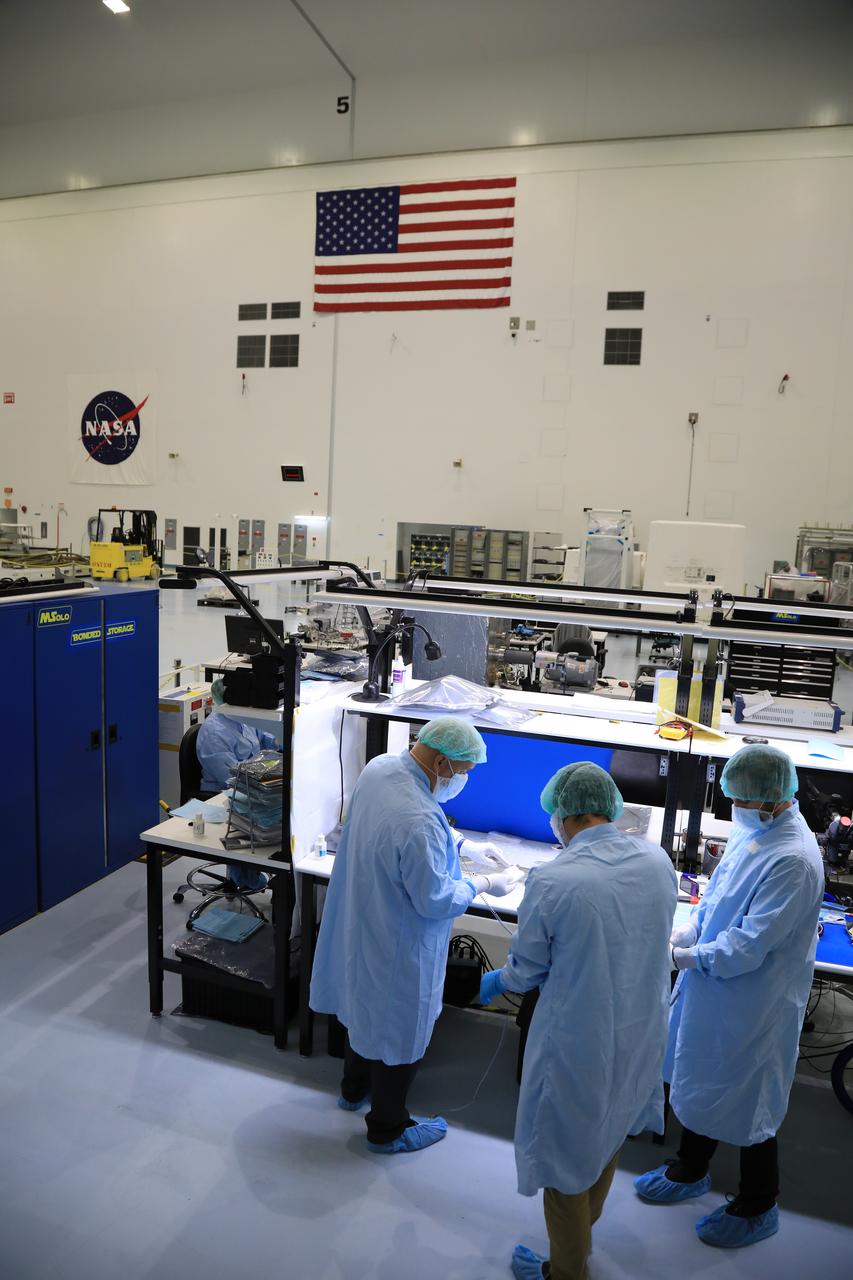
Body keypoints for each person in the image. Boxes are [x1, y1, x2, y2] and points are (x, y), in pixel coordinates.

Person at [478, 762, 677, 1280]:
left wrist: (499, 981)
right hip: (637, 1032)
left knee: (563, 1161)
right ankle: (581, 1241)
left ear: (562, 817)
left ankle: (565, 1271)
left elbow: (525, 972)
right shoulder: (657, 862)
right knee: (606, 1135)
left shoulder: (554, 879)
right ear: (609, 808)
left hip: (578, 1043)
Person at [634, 744, 824, 1249]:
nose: (734, 808)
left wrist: (683, 960)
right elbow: (717, 895)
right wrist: (688, 932)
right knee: (700, 1077)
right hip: (713, 988)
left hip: (754, 1002)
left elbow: (748, 946)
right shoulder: (755, 830)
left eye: (740, 799)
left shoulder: (795, 860)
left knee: (748, 1098)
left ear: (772, 799)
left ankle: (759, 1203)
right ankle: (691, 1168)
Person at [309, 716, 519, 1154]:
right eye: (461, 773)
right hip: (400, 939)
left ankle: (353, 1090)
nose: (461, 781)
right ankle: (389, 1128)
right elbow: (436, 899)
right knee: (400, 1027)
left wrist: (460, 845)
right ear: (442, 762)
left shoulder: (381, 768)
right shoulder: (420, 819)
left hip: (362, 918)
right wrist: (484, 885)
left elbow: (414, 821)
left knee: (360, 1005)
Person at [195, 688, 278, 891]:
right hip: (223, 793)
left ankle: (253, 872)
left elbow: (266, 738)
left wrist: (284, 739)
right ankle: (244, 878)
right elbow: (231, 777)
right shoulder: (214, 732)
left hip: (252, 783)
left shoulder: (243, 718)